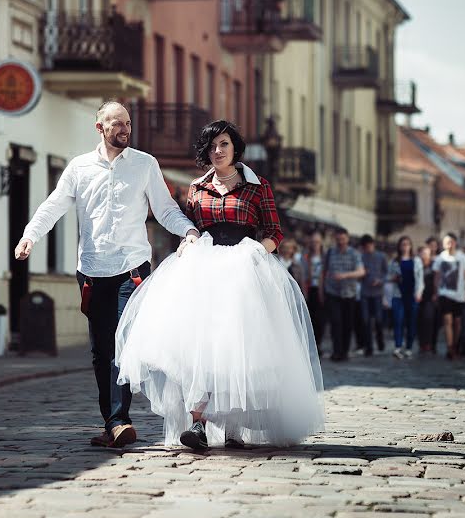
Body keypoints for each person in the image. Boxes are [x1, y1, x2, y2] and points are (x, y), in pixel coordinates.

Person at [115, 120, 323, 450]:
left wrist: (258, 251)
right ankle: (198, 422)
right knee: (200, 348)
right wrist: (187, 239)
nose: (218, 151)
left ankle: (230, 424)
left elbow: (274, 232)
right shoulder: (196, 188)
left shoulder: (258, 186)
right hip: (203, 270)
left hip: (245, 269)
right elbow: (189, 225)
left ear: (235, 148)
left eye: (223, 144)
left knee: (237, 349)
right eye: (212, 146)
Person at [14, 101, 200, 448]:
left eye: (127, 123)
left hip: (132, 269)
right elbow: (53, 205)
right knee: (101, 349)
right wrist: (29, 235)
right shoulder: (79, 167)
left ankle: (119, 420)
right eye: (117, 124)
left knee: (122, 344)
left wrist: (188, 231)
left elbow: (164, 209)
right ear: (100, 128)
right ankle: (112, 422)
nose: (124, 129)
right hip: (91, 271)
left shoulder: (145, 164)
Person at [324, 228, 366, 361]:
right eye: (338, 239)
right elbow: (324, 271)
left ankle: (345, 351)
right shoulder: (330, 252)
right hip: (332, 292)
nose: (340, 242)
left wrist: (345, 275)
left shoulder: (354, 254)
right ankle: (336, 351)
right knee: (336, 322)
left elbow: (361, 272)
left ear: (347, 239)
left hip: (349, 293)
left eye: (343, 239)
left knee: (347, 324)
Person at [432, 233, 465, 360]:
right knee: (447, 320)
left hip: (459, 295)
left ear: (455, 243)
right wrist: (436, 292)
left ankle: (455, 345)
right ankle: (450, 348)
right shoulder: (440, 258)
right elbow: (437, 277)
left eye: (450, 242)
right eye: (446, 242)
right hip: (445, 293)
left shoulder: (463, 257)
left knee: (457, 322)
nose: (448, 245)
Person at [388, 236, 424, 359]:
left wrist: (419, 293)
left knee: (411, 322)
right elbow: (390, 277)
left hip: (412, 295)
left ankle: (408, 347)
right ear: (399, 246)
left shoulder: (416, 260)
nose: (405, 247)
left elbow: (420, 279)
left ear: (411, 246)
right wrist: (394, 278)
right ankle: (398, 347)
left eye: (407, 244)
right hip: (398, 295)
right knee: (398, 321)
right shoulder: (394, 261)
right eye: (403, 244)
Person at [359, 234, 387, 355]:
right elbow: (358, 274)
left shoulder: (381, 256)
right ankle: (368, 347)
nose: (368, 248)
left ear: (373, 245)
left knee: (379, 320)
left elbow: (387, 272)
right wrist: (362, 275)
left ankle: (380, 341)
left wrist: (380, 280)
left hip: (377, 293)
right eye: (365, 247)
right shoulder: (361, 257)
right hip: (365, 292)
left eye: (369, 246)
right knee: (365, 320)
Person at [302, 232, 326, 355]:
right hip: (309, 288)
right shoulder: (306, 255)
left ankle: (319, 343)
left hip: (322, 290)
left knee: (320, 319)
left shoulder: (325, 256)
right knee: (310, 317)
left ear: (321, 242)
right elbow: (303, 273)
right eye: (313, 242)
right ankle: (311, 344)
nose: (315, 244)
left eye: (317, 242)